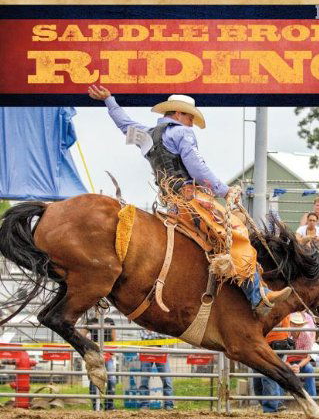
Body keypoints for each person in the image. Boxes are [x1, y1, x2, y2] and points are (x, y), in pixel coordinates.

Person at [88, 85, 292, 318]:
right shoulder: (182, 133)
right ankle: (257, 294)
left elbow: (124, 124)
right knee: (233, 230)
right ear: (177, 114)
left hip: (170, 204)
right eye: (190, 116)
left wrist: (109, 101)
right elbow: (196, 167)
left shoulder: (147, 134)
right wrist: (223, 191)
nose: (192, 122)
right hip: (191, 199)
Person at [253, 315, 291, 413]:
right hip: (262, 341)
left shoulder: (277, 301)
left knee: (269, 374)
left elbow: (277, 321)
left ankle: (272, 407)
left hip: (274, 341)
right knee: (259, 377)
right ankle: (276, 403)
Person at [82, 306, 117, 410]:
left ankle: (109, 405)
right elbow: (81, 335)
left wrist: (112, 352)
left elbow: (114, 338)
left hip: (107, 355)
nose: (100, 309)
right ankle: (96, 406)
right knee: (94, 379)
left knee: (111, 379)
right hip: (95, 355)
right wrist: (87, 347)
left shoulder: (110, 321)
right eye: (97, 306)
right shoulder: (91, 321)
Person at [138, 329, 174, 410]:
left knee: (167, 379)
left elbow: (168, 335)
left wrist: (153, 334)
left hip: (160, 352)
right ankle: (144, 404)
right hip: (147, 352)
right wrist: (159, 334)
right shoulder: (143, 321)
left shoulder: (161, 322)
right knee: (144, 380)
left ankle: (168, 404)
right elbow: (144, 335)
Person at [285, 312, 317, 398]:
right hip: (286, 362)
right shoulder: (285, 335)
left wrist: (298, 366)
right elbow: (281, 356)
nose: (296, 326)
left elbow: (308, 356)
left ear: (301, 325)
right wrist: (289, 366)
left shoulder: (306, 336)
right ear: (290, 324)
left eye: (298, 324)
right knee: (281, 371)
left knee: (309, 369)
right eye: (294, 324)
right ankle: (279, 402)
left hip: (300, 362)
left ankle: (311, 398)